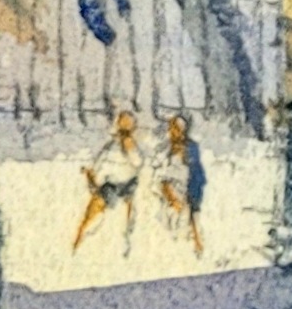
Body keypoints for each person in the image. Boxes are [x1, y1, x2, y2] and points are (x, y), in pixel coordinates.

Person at [75, 109, 145, 254]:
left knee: (119, 227)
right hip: (106, 187)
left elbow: (138, 163)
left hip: (122, 189)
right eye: (121, 123)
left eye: (127, 125)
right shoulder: (111, 145)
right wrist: (90, 174)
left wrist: (129, 147)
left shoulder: (130, 145)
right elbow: (99, 164)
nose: (123, 128)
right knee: (88, 223)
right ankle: (76, 247)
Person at [156, 112, 209, 257]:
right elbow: (161, 172)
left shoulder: (190, 148)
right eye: (171, 128)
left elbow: (194, 172)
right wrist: (168, 190)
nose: (171, 131)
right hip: (170, 190)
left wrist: (187, 194)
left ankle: (196, 245)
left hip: (186, 190)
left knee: (188, 219)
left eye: (175, 128)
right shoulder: (166, 148)